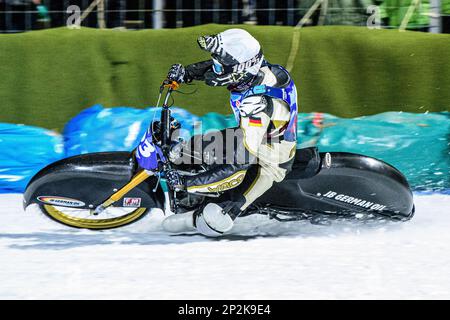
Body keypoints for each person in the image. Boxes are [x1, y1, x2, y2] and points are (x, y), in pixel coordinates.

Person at [162, 28, 298, 237]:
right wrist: (187, 73)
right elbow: (223, 67)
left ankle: (200, 213)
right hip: (252, 137)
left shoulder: (256, 106)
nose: (215, 69)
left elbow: (237, 167)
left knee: (211, 218)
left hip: (267, 162)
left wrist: (186, 184)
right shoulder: (262, 72)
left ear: (240, 70)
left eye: (220, 66)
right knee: (187, 151)